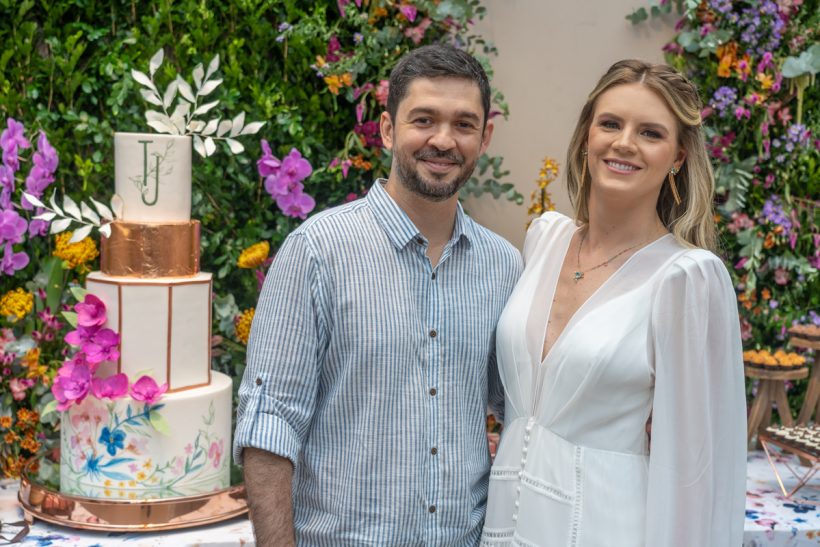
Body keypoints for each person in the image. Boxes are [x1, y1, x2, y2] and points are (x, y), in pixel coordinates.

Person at [234, 44, 522, 546]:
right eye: (424, 120)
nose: (443, 140)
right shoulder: (318, 252)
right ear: (388, 130)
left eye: (463, 124)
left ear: (485, 137)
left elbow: (524, 411)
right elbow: (269, 427)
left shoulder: (504, 267)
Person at [481, 60, 746, 546]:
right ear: (587, 136)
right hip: (504, 526)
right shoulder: (543, 239)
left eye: (649, 132)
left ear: (678, 157)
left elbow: (697, 469)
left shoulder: (687, 278)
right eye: (610, 124)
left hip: (609, 526)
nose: (624, 143)